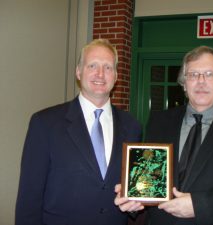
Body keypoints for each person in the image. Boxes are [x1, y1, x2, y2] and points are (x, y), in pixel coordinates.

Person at [115, 46, 213, 225]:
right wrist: (135, 193)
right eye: (192, 75)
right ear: (184, 84)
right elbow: (150, 173)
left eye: (209, 74)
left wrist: (199, 206)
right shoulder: (159, 121)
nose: (200, 81)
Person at [15, 39, 142, 225]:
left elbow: (135, 190)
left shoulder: (132, 126)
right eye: (92, 65)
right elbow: (29, 197)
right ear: (78, 72)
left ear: (115, 76)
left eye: (108, 67)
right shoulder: (44, 124)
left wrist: (136, 202)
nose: (100, 74)